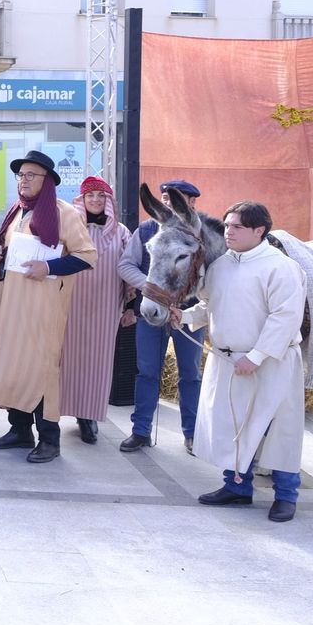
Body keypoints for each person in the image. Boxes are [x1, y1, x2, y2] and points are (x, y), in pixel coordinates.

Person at [177, 202, 306, 522]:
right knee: (232, 425)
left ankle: (286, 496)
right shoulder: (221, 265)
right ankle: (237, 487)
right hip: (229, 361)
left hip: (271, 362)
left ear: (259, 231)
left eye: (236, 226)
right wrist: (182, 315)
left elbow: (286, 316)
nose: (228, 232)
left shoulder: (280, 267)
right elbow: (210, 307)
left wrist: (257, 356)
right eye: (226, 225)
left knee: (280, 428)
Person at [0, 150, 98, 463]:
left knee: (43, 370)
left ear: (47, 182)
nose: (24, 180)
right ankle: (20, 430)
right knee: (16, 365)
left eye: (31, 175)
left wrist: (49, 268)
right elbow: (15, 252)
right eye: (20, 175)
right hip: (13, 307)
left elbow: (88, 256)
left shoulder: (63, 213)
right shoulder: (17, 212)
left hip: (43, 310)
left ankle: (49, 439)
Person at [117, 179, 206, 453]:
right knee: (146, 372)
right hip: (152, 310)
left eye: (177, 200)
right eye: (165, 199)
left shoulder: (201, 233)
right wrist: (152, 288)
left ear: (191, 204)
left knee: (190, 373)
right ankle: (140, 430)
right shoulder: (145, 230)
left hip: (186, 312)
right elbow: (125, 264)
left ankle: (192, 434)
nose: (168, 204)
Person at [60, 177, 131, 444]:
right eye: (90, 197)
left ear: (109, 202)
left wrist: (131, 306)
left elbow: (130, 267)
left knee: (98, 363)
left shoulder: (122, 232)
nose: (96, 201)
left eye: (101, 197)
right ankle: (67, 409)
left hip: (105, 305)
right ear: (82, 200)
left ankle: (88, 417)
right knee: (70, 359)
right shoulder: (69, 228)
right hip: (72, 304)